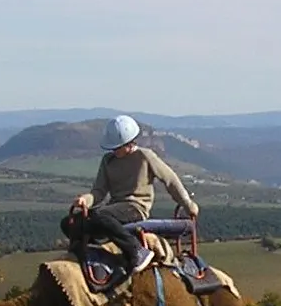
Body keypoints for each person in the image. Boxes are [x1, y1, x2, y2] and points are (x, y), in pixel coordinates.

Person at [61, 114, 200, 273]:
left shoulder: (145, 156)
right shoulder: (108, 161)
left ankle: (137, 252)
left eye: (117, 147)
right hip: (114, 209)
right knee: (69, 223)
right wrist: (85, 200)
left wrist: (187, 203)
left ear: (129, 143)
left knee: (101, 217)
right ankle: (96, 254)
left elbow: (170, 180)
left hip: (135, 208)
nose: (114, 151)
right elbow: (98, 192)